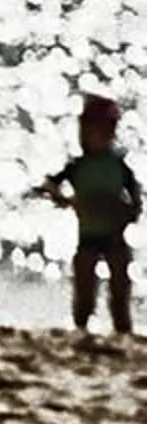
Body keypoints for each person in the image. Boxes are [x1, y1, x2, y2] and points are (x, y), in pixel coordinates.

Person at [35, 93, 139, 336]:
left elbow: (134, 194)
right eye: (83, 129)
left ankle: (122, 329)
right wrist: (60, 198)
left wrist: (131, 211)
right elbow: (51, 182)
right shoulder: (79, 166)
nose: (84, 136)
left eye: (92, 130)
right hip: (88, 235)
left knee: (120, 286)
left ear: (110, 133)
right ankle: (81, 326)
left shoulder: (117, 165)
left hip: (115, 235)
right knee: (84, 285)